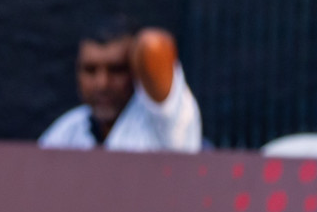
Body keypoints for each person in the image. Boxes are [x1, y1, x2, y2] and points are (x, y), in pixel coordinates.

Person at [38, 17, 202, 152]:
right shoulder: (69, 129)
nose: (102, 84)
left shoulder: (165, 120)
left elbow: (152, 44)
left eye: (116, 70)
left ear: (136, 71)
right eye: (90, 70)